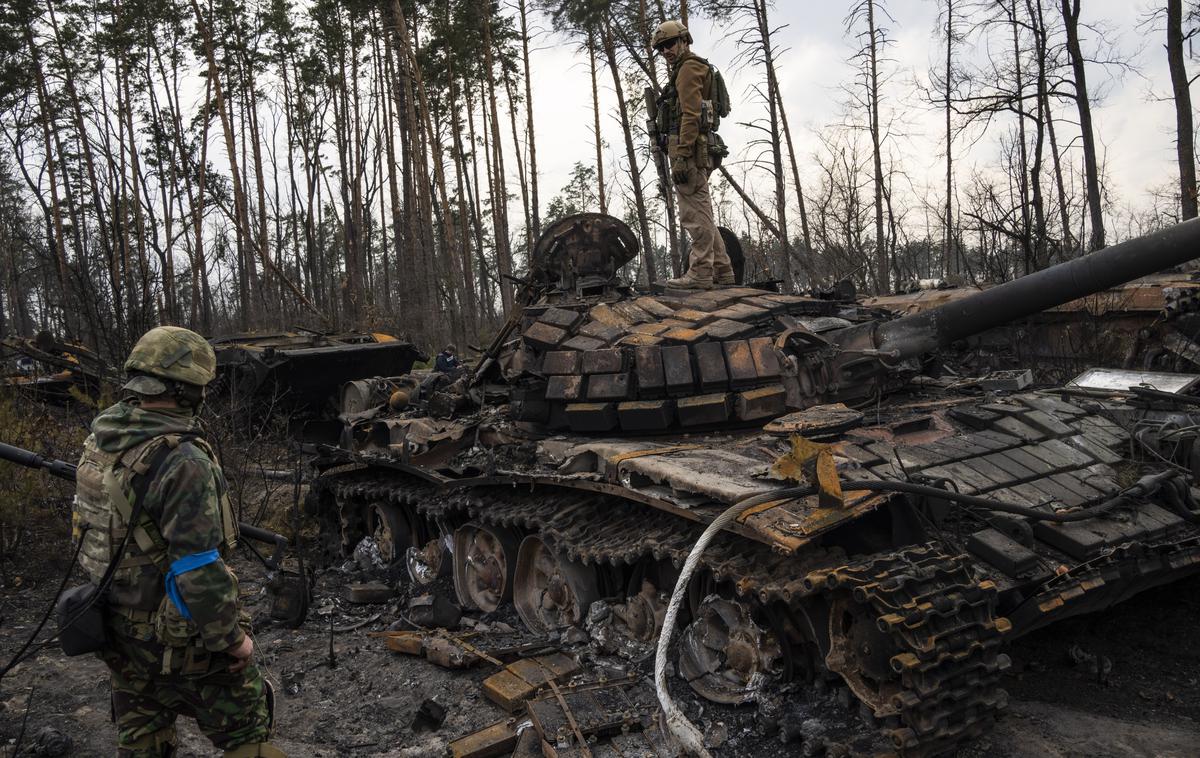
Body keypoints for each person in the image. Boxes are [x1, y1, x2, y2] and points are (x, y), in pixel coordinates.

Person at [72, 326, 283, 757]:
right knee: (248, 739)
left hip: (118, 633)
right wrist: (232, 641)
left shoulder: (102, 439)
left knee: (143, 740)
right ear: (189, 391)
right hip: (182, 644)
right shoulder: (184, 460)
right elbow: (197, 568)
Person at [652, 20, 735, 290]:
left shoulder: (688, 69)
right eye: (661, 47)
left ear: (684, 41)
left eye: (670, 43)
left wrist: (681, 155)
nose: (666, 50)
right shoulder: (692, 67)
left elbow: (690, 114)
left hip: (687, 149)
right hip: (693, 147)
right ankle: (722, 270)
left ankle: (700, 272)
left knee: (693, 215)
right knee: (702, 212)